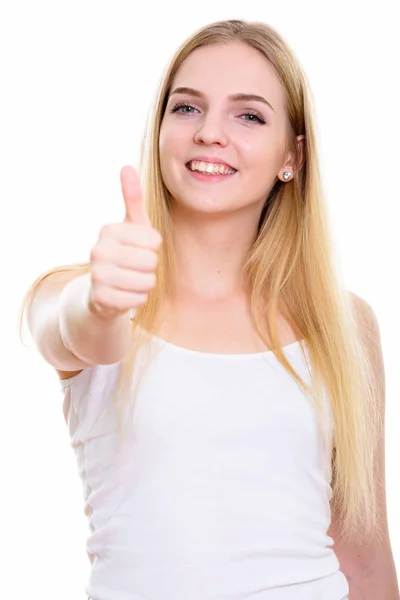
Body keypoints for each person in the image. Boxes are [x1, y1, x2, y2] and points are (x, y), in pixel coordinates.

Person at [21, 18, 398, 600]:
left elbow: (367, 564)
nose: (210, 134)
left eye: (248, 115)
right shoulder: (89, 291)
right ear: (161, 128)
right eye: (187, 108)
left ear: (291, 156)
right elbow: (74, 328)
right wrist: (97, 302)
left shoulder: (344, 325)